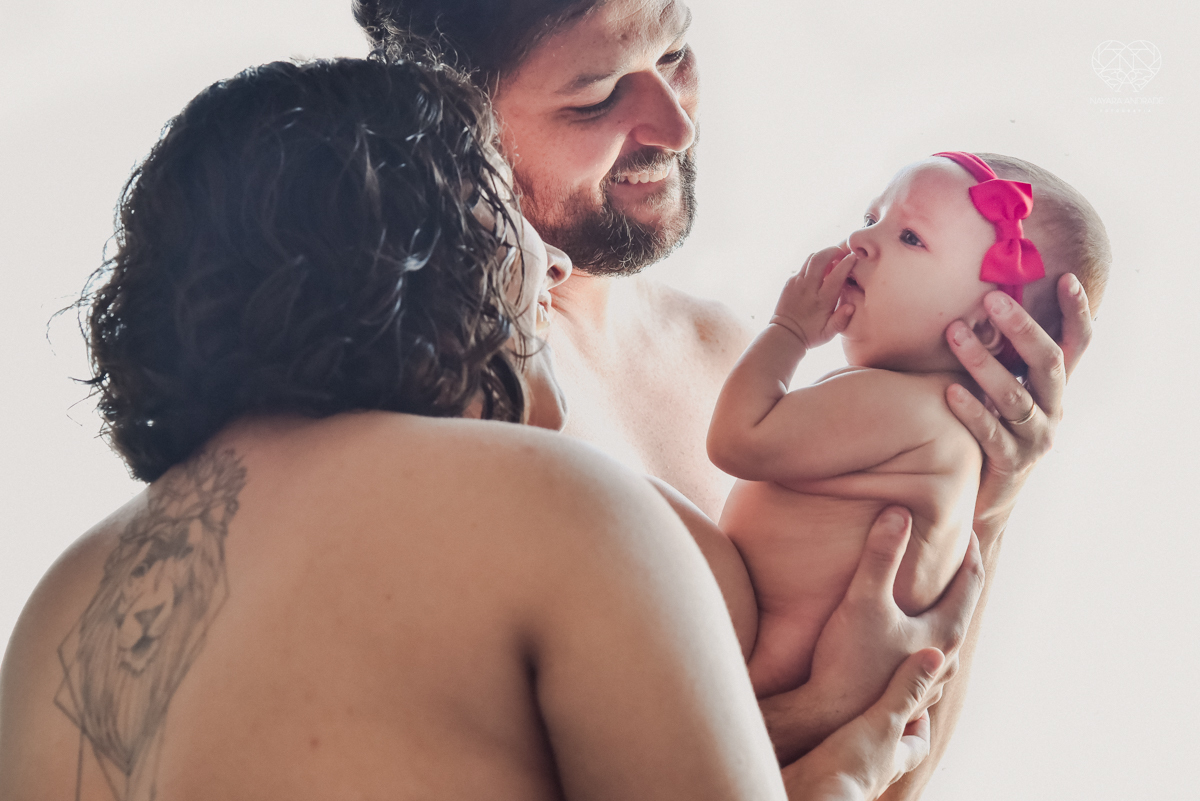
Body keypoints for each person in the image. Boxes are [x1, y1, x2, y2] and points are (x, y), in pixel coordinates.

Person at [0, 56, 979, 801]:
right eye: (514, 224)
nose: (553, 275)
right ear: (435, 252)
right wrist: (837, 771)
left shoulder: (60, 603)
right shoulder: (560, 500)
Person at [353, 1, 1096, 794]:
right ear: (449, 117)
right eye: (599, 95)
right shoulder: (445, 401)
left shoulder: (730, 352)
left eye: (675, 55)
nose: (675, 125)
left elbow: (892, 771)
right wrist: (814, 712)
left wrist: (987, 493)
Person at [707, 152, 1111, 698]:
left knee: (649, 516)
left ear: (987, 330)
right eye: (873, 218)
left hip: (751, 644)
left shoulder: (902, 407)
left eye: (911, 238)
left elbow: (737, 439)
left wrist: (788, 331)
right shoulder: (950, 433)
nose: (860, 240)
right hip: (799, 674)